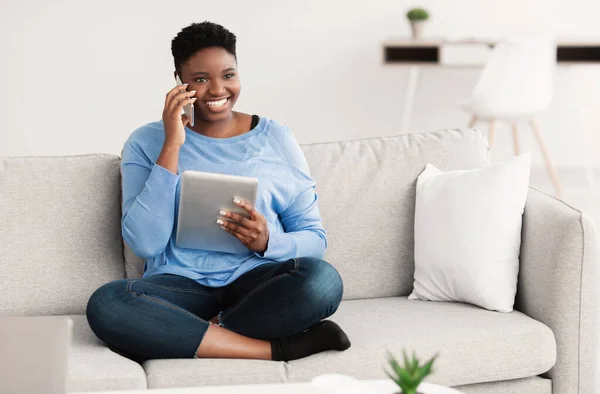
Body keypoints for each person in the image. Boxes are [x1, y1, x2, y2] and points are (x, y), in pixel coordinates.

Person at [86, 21, 350, 362]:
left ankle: (186, 333)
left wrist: (268, 242)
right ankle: (275, 349)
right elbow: (145, 243)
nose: (217, 90)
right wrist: (172, 146)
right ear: (179, 81)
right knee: (108, 303)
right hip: (180, 286)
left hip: (257, 284)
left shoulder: (276, 138)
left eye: (228, 75)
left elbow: (315, 239)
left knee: (322, 282)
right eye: (200, 79)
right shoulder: (146, 141)